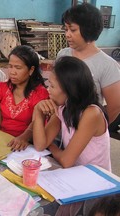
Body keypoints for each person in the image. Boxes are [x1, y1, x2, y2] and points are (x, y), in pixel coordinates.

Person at [33, 56, 111, 171]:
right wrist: (38, 112)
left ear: (70, 90)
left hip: (96, 179)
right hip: (74, 173)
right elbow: (40, 145)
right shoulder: (63, 107)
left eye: (52, 86)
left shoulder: (91, 113)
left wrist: (49, 145)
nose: (48, 90)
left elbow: (66, 161)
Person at [57, 3, 120, 133]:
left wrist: (91, 130)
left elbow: (114, 107)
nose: (67, 34)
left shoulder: (107, 65)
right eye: (66, 29)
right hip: (59, 125)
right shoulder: (63, 54)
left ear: (88, 30)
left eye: (72, 30)